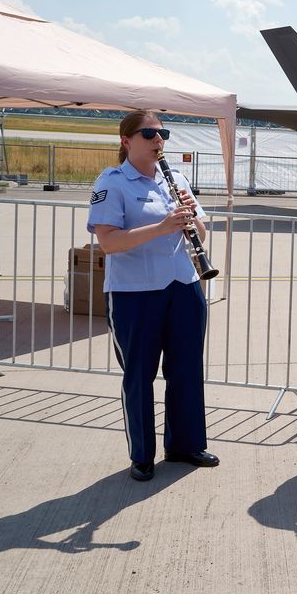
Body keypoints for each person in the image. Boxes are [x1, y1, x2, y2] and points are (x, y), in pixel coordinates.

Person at [87, 110, 218, 482]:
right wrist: (161, 227)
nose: (158, 140)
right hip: (135, 293)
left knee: (187, 370)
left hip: (183, 285)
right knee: (139, 375)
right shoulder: (113, 183)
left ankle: (186, 445)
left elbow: (202, 235)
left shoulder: (175, 179)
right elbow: (109, 242)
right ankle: (142, 455)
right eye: (149, 134)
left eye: (162, 134)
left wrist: (191, 220)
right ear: (126, 140)